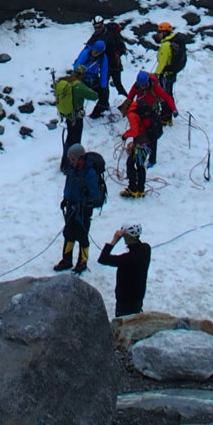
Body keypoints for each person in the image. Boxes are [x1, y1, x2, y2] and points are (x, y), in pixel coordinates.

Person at [55, 143, 106, 273]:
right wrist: (65, 199)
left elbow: (94, 194)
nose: (71, 162)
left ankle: (82, 262)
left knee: (82, 235)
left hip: (83, 209)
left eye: (73, 159)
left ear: (81, 158)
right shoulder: (72, 170)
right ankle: (67, 260)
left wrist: (83, 202)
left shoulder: (90, 173)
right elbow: (69, 186)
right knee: (68, 232)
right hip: (71, 206)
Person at [97, 224, 151, 316]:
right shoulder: (146, 249)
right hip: (137, 299)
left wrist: (114, 240)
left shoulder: (128, 259)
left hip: (125, 303)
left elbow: (103, 259)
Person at [123, 72, 174, 167]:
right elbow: (130, 97)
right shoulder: (136, 86)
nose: (140, 87)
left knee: (152, 137)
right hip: (140, 113)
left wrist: (173, 109)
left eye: (142, 85)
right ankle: (138, 153)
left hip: (152, 114)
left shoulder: (155, 87)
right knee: (139, 133)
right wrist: (126, 109)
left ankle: (152, 159)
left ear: (146, 83)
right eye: (139, 85)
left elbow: (166, 97)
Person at [53, 69, 100, 153]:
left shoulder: (65, 81)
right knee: (75, 141)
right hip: (76, 117)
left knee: (69, 138)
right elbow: (94, 96)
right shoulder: (79, 86)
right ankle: (73, 161)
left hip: (67, 115)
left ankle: (65, 161)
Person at [74, 36, 111, 116]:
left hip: (93, 79)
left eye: (97, 52)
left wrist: (103, 87)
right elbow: (76, 66)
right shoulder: (85, 53)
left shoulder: (103, 58)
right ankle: (77, 112)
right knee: (79, 96)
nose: (95, 53)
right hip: (82, 79)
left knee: (104, 94)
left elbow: (104, 72)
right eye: (94, 51)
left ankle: (96, 114)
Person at [154, 23, 187, 102]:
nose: (158, 34)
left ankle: (167, 112)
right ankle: (170, 110)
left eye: (159, 32)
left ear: (165, 33)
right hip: (171, 72)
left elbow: (162, 62)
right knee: (169, 93)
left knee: (165, 94)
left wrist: (156, 74)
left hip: (166, 73)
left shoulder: (166, 45)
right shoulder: (170, 42)